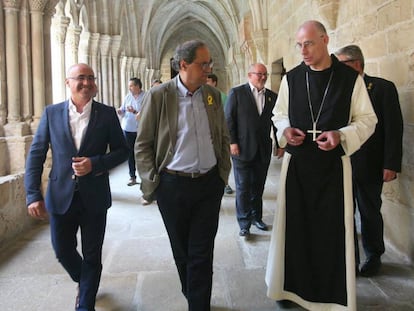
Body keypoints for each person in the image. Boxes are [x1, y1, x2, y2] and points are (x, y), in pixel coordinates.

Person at [265, 20, 377, 311]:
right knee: (295, 228)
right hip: (297, 166)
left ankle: (331, 298)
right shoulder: (292, 78)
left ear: (325, 40)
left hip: (333, 168)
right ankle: (289, 290)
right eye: (299, 45)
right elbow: (279, 115)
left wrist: (341, 135)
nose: (303, 50)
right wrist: (286, 130)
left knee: (330, 233)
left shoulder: (349, 79)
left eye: (309, 43)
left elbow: (367, 120)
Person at [135, 40, 231, 311]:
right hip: (173, 185)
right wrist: (152, 181)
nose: (208, 68)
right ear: (184, 65)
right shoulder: (159, 96)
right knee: (182, 251)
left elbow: (222, 135)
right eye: (203, 64)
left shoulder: (211, 94)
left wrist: (222, 174)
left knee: (202, 252)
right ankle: (193, 293)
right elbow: (143, 144)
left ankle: (198, 305)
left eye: (209, 63)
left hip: (208, 184)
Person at [24, 63, 129, 311]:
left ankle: (85, 304)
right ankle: (85, 281)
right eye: (80, 78)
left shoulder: (106, 114)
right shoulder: (51, 113)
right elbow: (36, 154)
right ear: (67, 82)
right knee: (62, 250)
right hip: (61, 196)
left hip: (94, 196)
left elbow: (123, 151)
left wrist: (95, 163)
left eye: (91, 78)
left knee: (92, 255)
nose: (87, 82)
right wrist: (32, 194)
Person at [335, 45, 403, 277]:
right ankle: (349, 258)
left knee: (369, 211)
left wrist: (391, 164)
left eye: (342, 63)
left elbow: (394, 129)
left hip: (370, 164)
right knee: (344, 214)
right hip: (343, 163)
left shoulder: (382, 88)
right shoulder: (339, 89)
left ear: (357, 64)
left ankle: (374, 255)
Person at [225, 63, 281, 237]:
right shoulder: (237, 93)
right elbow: (228, 119)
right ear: (250, 75)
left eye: (265, 74)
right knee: (242, 188)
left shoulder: (272, 97)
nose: (263, 77)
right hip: (241, 149)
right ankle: (244, 223)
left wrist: (280, 144)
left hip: (263, 149)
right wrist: (232, 142)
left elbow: (277, 122)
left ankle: (257, 217)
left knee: (258, 187)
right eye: (259, 74)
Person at [206, 73, 234, 195]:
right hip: (206, 134)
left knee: (222, 158)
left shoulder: (221, 97)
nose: (206, 83)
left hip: (219, 133)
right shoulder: (202, 94)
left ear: (214, 83)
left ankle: (225, 182)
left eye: (209, 81)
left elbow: (226, 116)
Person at [117, 77, 145, 186]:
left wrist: (134, 111)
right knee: (130, 153)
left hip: (141, 129)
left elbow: (147, 113)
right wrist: (120, 111)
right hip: (128, 129)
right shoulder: (127, 97)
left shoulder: (146, 96)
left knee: (142, 153)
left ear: (138, 86)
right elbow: (123, 109)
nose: (129, 88)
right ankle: (132, 176)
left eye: (131, 86)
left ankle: (145, 177)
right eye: (128, 86)